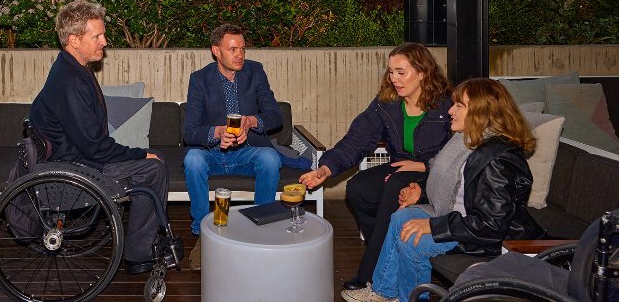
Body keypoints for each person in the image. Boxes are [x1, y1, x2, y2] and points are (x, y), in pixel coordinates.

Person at [343, 78, 545, 302]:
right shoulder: (465, 141)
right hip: (458, 218)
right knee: (402, 216)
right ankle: (383, 293)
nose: (450, 110)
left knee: (414, 240)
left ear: (481, 112)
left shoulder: (498, 159)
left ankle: (409, 299)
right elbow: (456, 188)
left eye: (459, 105)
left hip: (487, 237)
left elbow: (491, 225)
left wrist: (432, 225)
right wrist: (421, 191)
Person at [28, 0, 168, 275]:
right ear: (74, 40)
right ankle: (139, 254)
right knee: (154, 167)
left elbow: (90, 137)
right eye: (97, 36)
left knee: (151, 163)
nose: (105, 41)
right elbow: (95, 147)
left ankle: (141, 244)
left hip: (76, 156)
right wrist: (140, 153)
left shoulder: (72, 68)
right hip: (77, 166)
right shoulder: (70, 81)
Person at [299, 43, 452, 291]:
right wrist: (326, 169)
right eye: (391, 72)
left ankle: (370, 274)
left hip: (436, 175)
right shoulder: (387, 103)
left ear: (423, 72)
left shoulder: (446, 106)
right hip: (401, 167)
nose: (394, 79)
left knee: (394, 186)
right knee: (358, 188)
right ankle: (385, 250)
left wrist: (425, 166)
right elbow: (357, 140)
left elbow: (460, 153)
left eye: (401, 72)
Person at [183, 24, 283, 268]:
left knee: (270, 158)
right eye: (233, 49)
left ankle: (260, 227)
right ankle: (201, 234)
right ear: (216, 51)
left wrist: (252, 121)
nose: (240, 55)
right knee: (192, 159)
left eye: (243, 49)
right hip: (213, 154)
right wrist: (217, 132)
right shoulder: (200, 79)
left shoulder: (255, 72)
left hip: (246, 152)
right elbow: (189, 132)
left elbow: (275, 116)